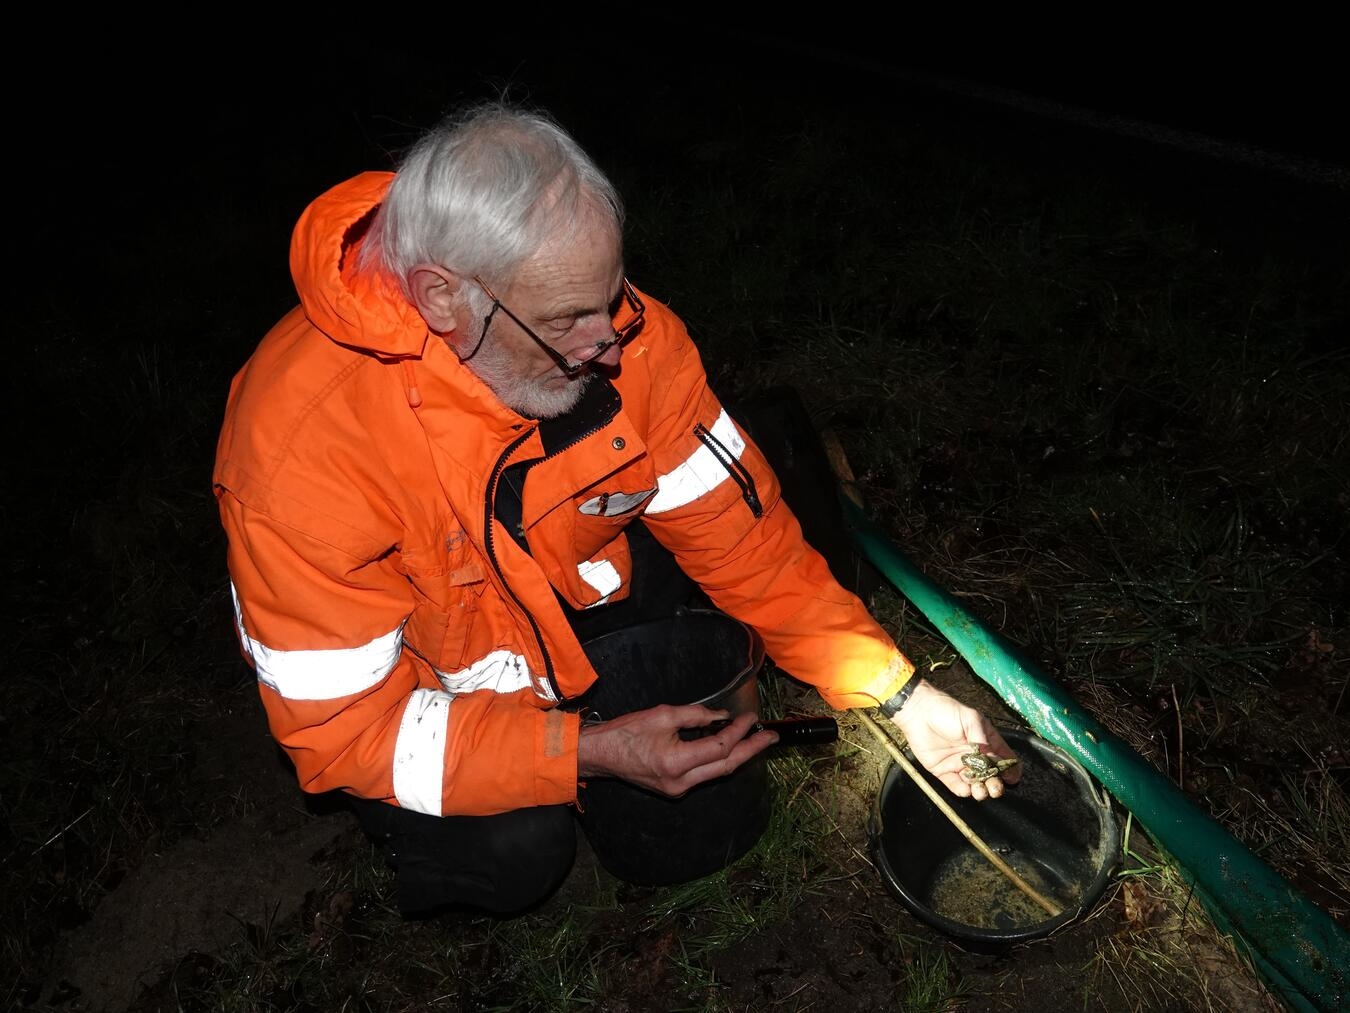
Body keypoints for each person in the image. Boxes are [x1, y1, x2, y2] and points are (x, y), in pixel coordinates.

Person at [213, 101, 1019, 917]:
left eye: (610, 295)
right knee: (519, 852)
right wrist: (583, 753)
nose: (611, 343)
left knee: (739, 567)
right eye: (568, 318)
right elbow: (347, 729)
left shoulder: (635, 341)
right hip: (420, 698)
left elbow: (748, 546)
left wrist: (899, 692)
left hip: (555, 616)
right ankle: (433, 852)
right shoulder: (299, 452)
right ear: (443, 297)